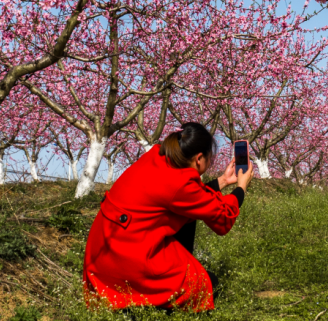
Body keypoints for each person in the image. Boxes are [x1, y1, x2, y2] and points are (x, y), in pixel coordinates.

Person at [83, 123, 254, 312]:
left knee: (188, 216)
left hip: (102, 255)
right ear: (199, 159)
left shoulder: (157, 156)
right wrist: (241, 187)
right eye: (210, 159)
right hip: (128, 263)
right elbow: (222, 217)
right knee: (208, 285)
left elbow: (188, 198)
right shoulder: (181, 183)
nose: (210, 163)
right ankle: (141, 305)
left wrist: (221, 181)